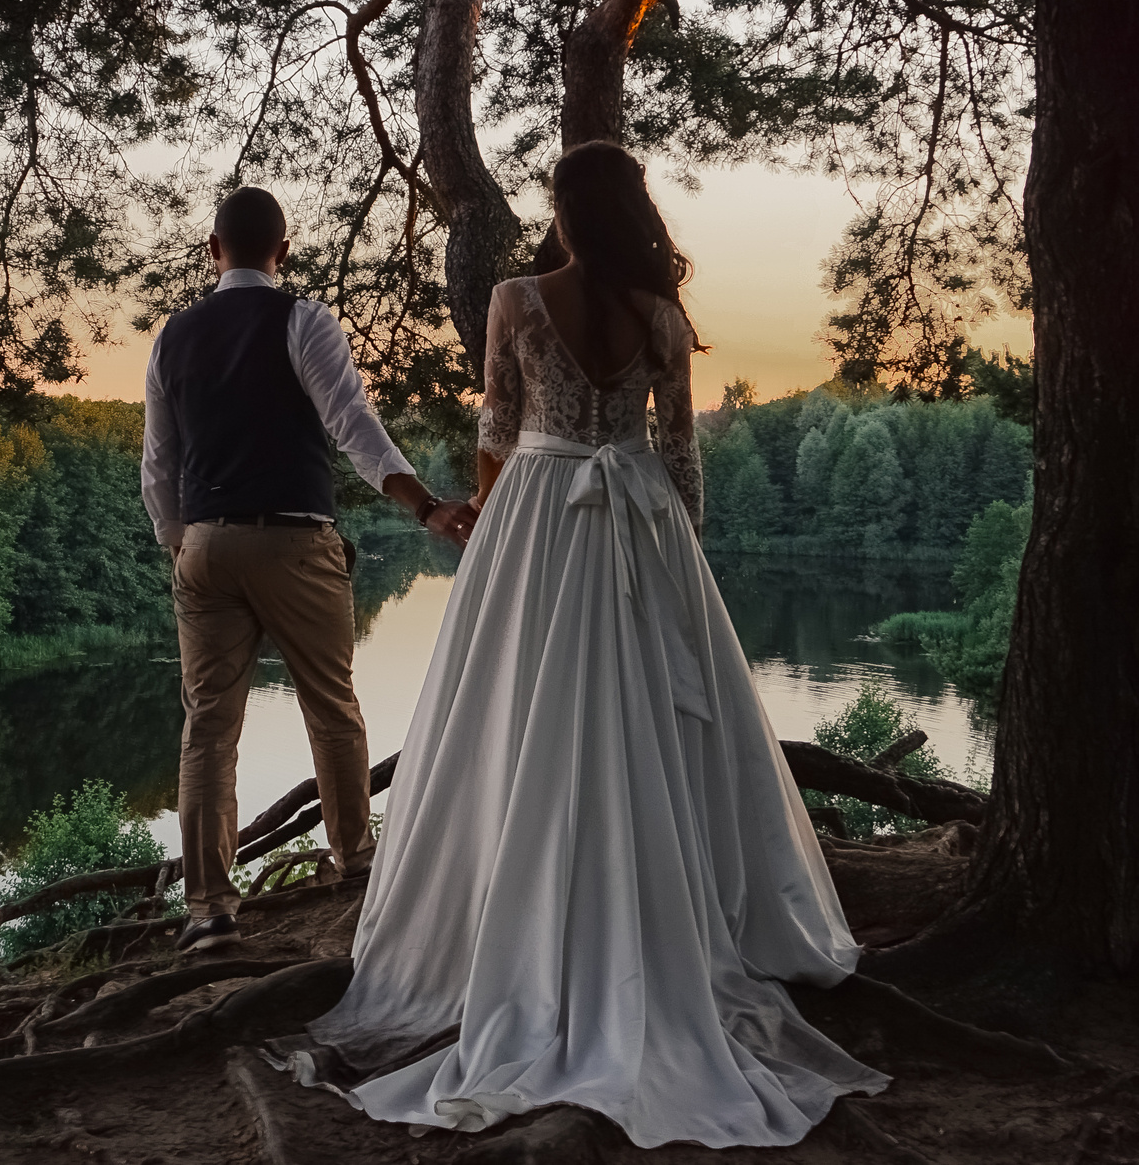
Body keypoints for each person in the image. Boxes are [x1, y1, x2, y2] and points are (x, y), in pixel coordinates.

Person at [291, 142, 887, 1148]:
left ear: (568, 211)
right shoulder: (661, 314)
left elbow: (497, 422)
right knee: (655, 711)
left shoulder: (517, 300)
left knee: (521, 708)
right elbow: (681, 451)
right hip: (638, 515)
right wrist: (677, 559)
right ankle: (665, 913)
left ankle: (521, 913)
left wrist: (482, 516)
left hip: (537, 513)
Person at [142, 185, 461, 955]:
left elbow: (160, 463)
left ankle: (209, 908)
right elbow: (353, 424)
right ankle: (355, 865)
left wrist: (181, 542)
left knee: (208, 730)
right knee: (332, 707)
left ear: (213, 250)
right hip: (293, 539)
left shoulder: (172, 337)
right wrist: (424, 507)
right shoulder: (302, 319)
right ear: (281, 252)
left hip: (206, 545)